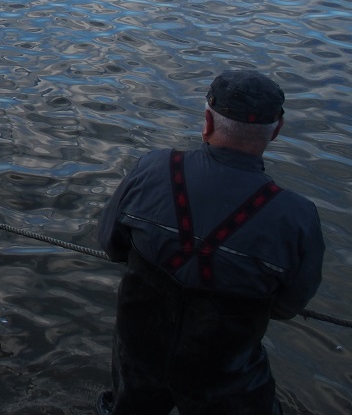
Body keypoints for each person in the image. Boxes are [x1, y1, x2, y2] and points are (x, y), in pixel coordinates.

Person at [96, 70, 325, 415]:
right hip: (227, 376)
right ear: (276, 130)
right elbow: (287, 306)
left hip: (139, 356)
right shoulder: (297, 216)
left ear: (206, 120)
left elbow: (111, 245)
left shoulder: (152, 169)